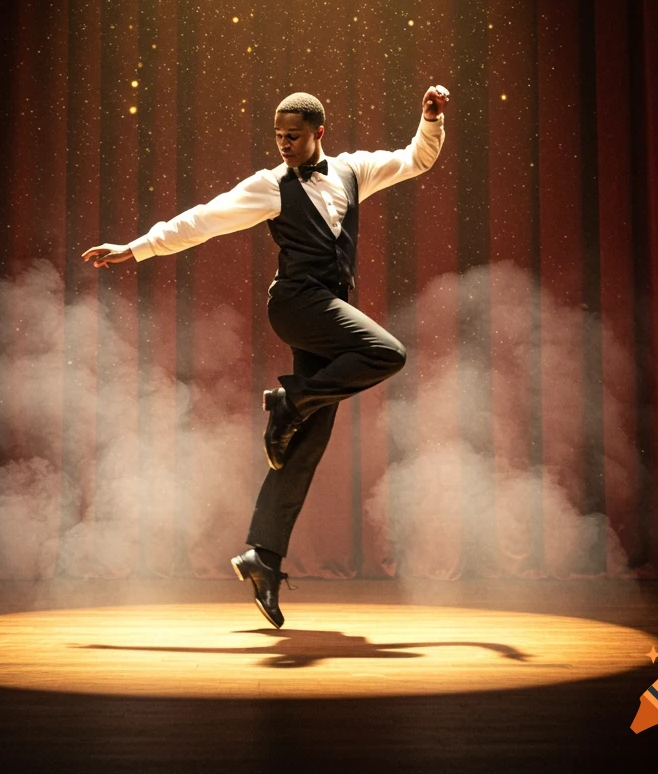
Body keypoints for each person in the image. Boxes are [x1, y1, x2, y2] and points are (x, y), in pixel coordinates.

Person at [82, 85, 449, 627]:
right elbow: (202, 220)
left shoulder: (353, 170)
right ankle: (289, 399)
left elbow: (415, 159)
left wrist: (430, 119)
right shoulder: (270, 186)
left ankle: (263, 557)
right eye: (278, 136)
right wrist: (136, 247)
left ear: (319, 133)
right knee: (386, 352)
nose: (283, 144)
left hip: (326, 314)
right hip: (299, 307)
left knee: (307, 444)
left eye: (293, 136)